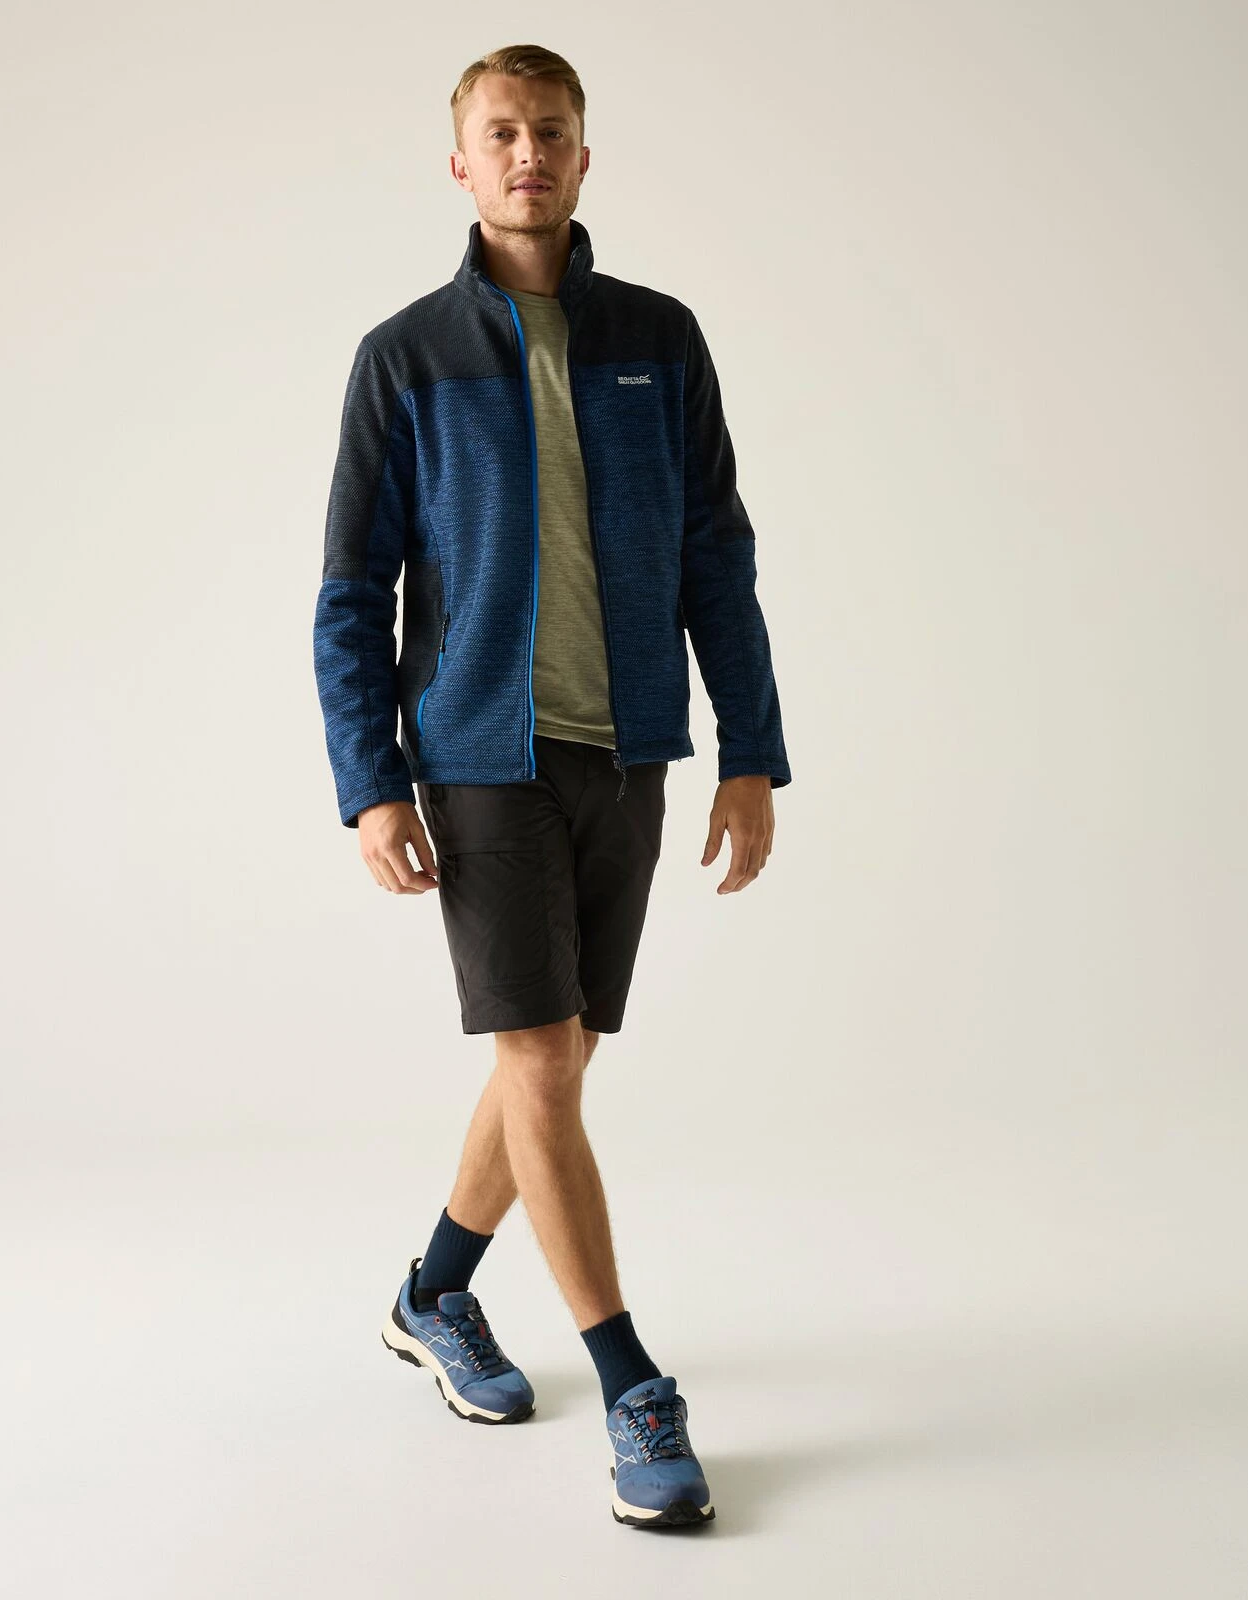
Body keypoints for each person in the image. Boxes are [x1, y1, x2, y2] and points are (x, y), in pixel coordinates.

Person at [312, 43, 791, 1528]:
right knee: (536, 1056)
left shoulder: (660, 338)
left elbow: (717, 552)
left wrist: (751, 749)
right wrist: (371, 780)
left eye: (554, 131)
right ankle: (633, 1382)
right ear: (460, 161)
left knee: (558, 1059)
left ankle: (432, 1292)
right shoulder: (406, 356)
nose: (530, 153)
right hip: (476, 757)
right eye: (503, 132)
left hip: (625, 748)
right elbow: (352, 590)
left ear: (586, 156)